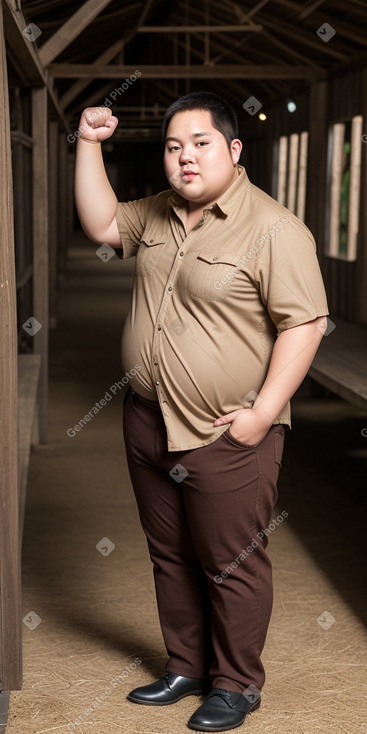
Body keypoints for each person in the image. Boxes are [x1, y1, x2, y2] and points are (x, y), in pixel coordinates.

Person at [74, 91, 329, 732]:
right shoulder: (159, 213)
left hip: (225, 430)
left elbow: (306, 322)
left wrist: (263, 412)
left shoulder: (275, 229)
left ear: (234, 150)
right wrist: (88, 143)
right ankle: (186, 663)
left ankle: (237, 683)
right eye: (173, 146)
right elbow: (102, 224)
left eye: (202, 143)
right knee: (171, 552)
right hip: (147, 415)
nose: (186, 158)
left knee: (231, 559)